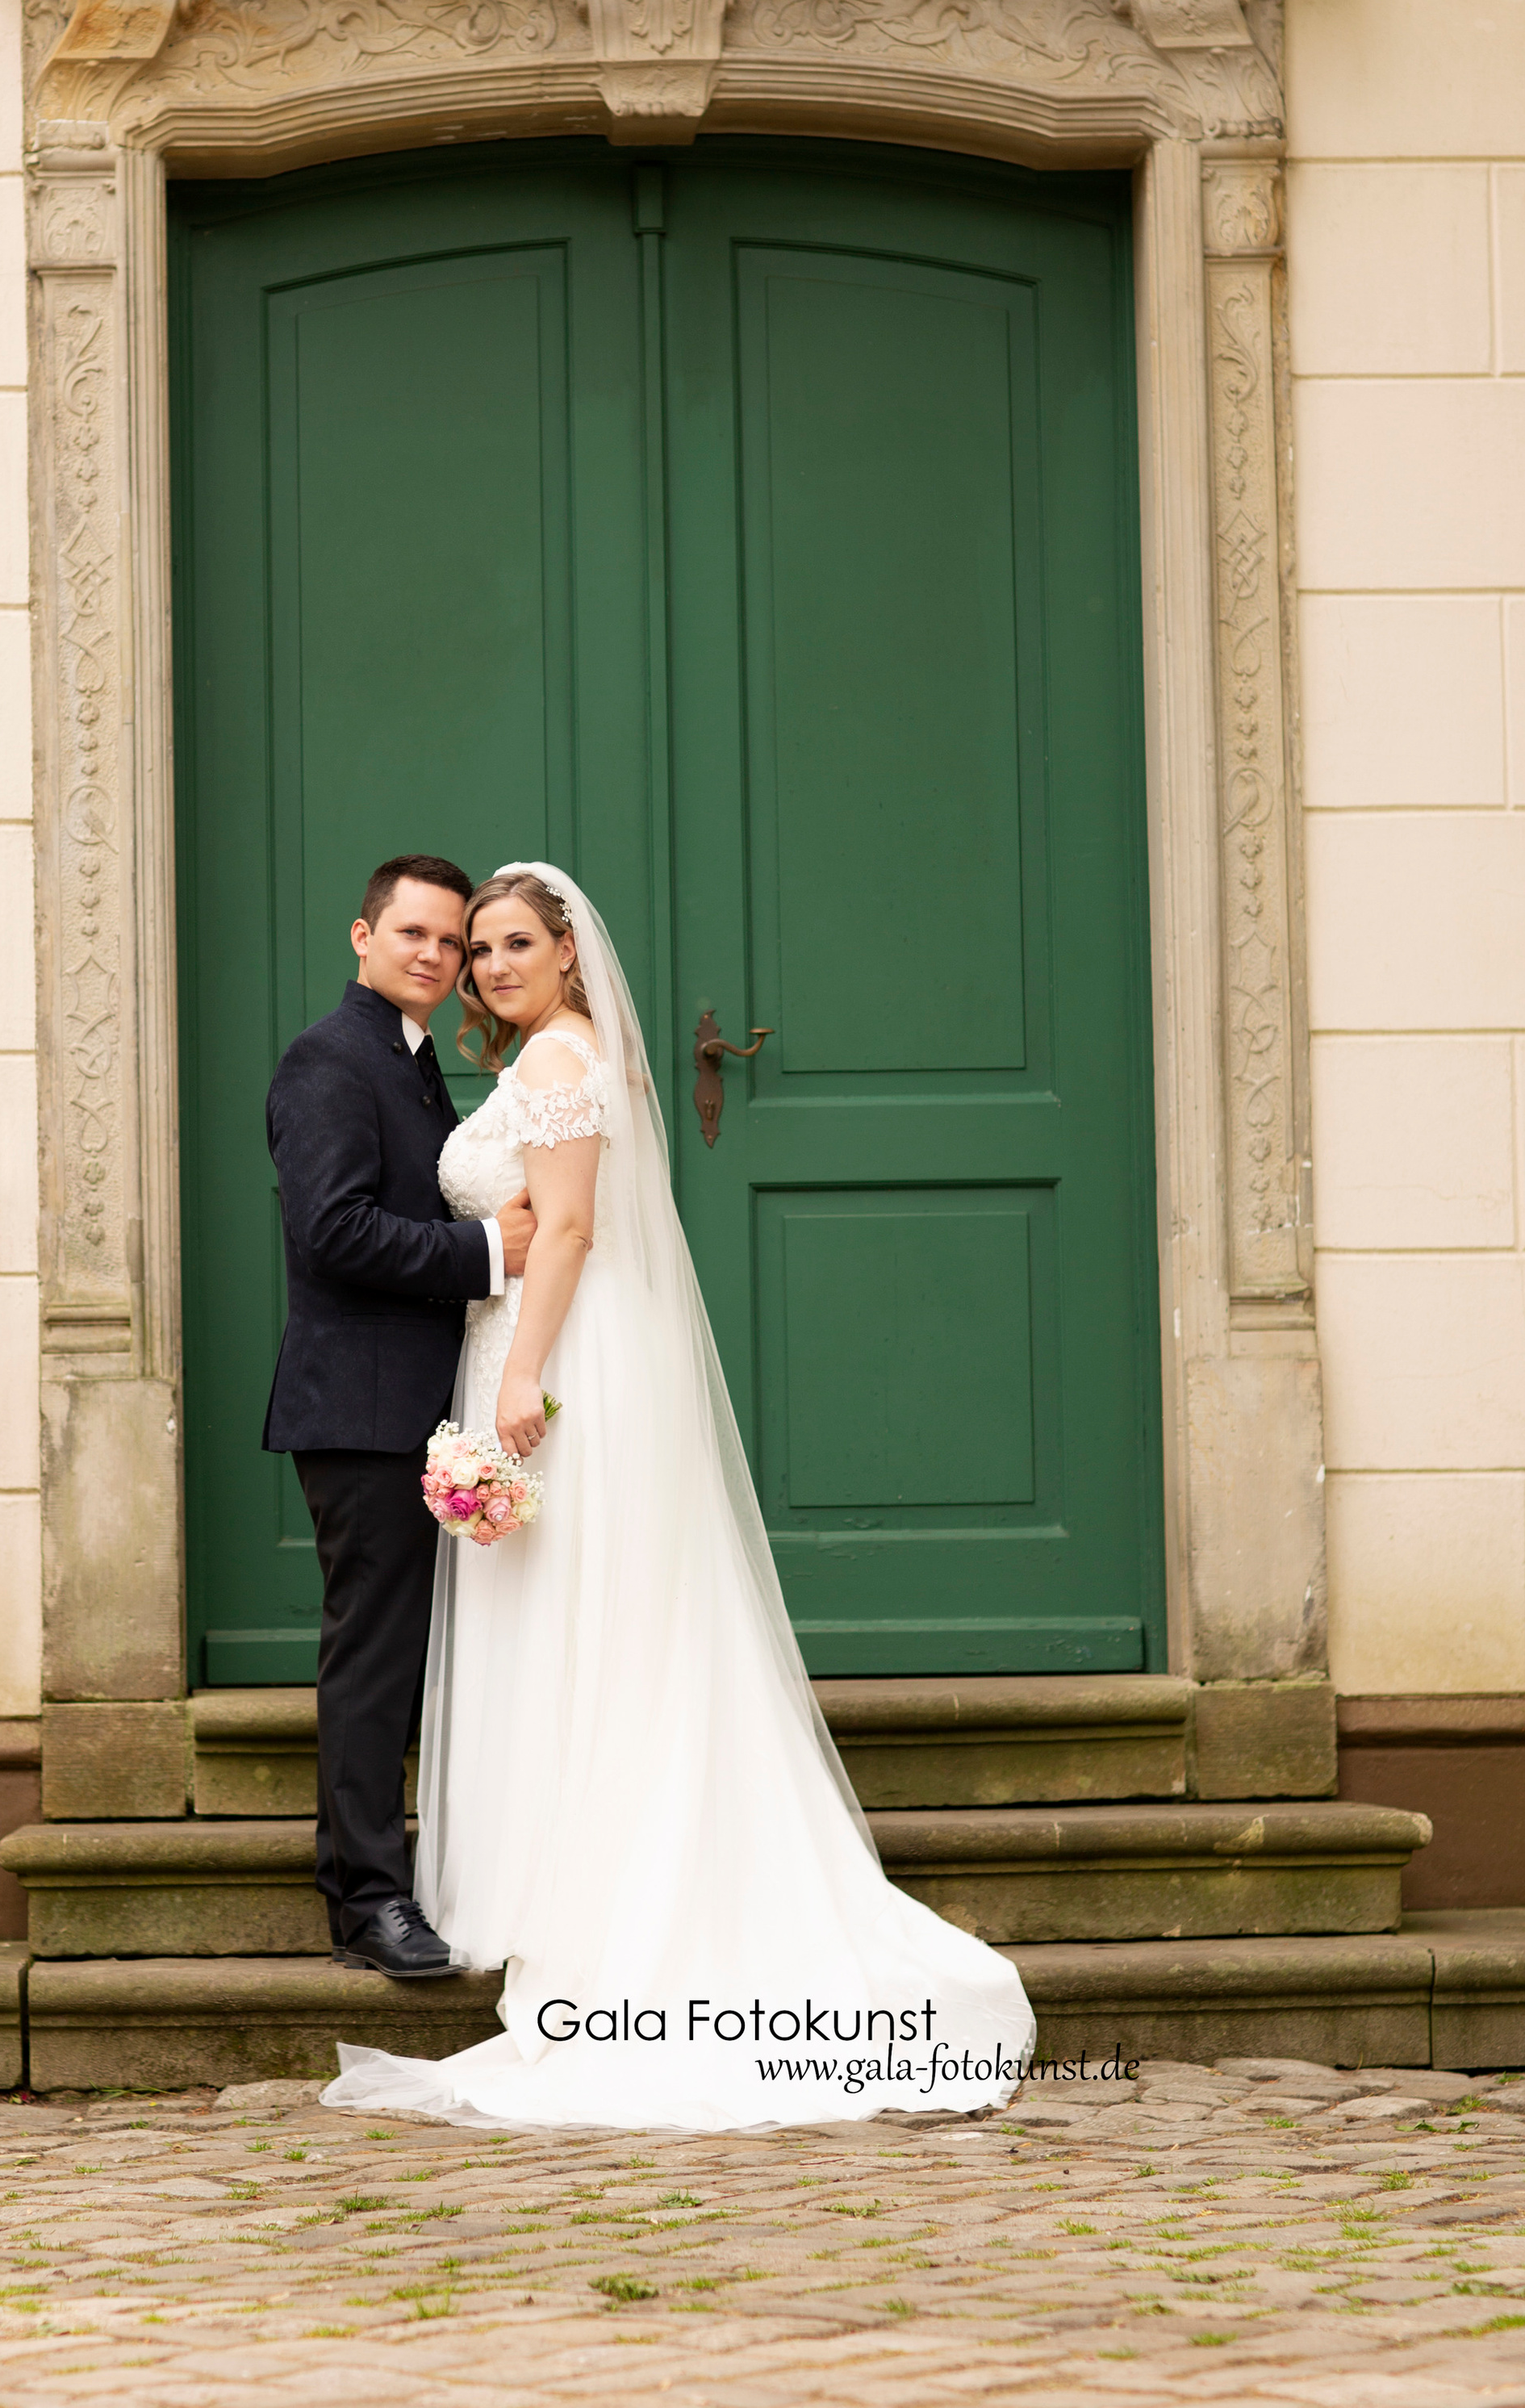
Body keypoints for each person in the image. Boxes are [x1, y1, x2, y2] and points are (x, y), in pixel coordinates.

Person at [323, 864, 1036, 2130]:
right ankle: (566, 1879)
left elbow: (575, 1231)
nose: (488, 964)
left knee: (588, 1623)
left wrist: (524, 1372)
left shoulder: (555, 1066)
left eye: (512, 944)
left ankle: (604, 1899)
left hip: (556, 1355)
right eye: (476, 947)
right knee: (581, 1619)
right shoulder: (545, 1057)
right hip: (537, 1343)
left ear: (568, 955)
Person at [261, 856, 535, 1979]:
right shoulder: (331, 1061)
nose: (436, 955)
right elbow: (331, 1233)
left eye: (453, 940)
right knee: (373, 1661)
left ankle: (399, 1879)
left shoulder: (412, 1063)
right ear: (362, 936)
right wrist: (486, 1253)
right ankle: (366, 1900)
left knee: (405, 1658)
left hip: (412, 1408)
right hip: (359, 1410)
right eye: (412, 933)